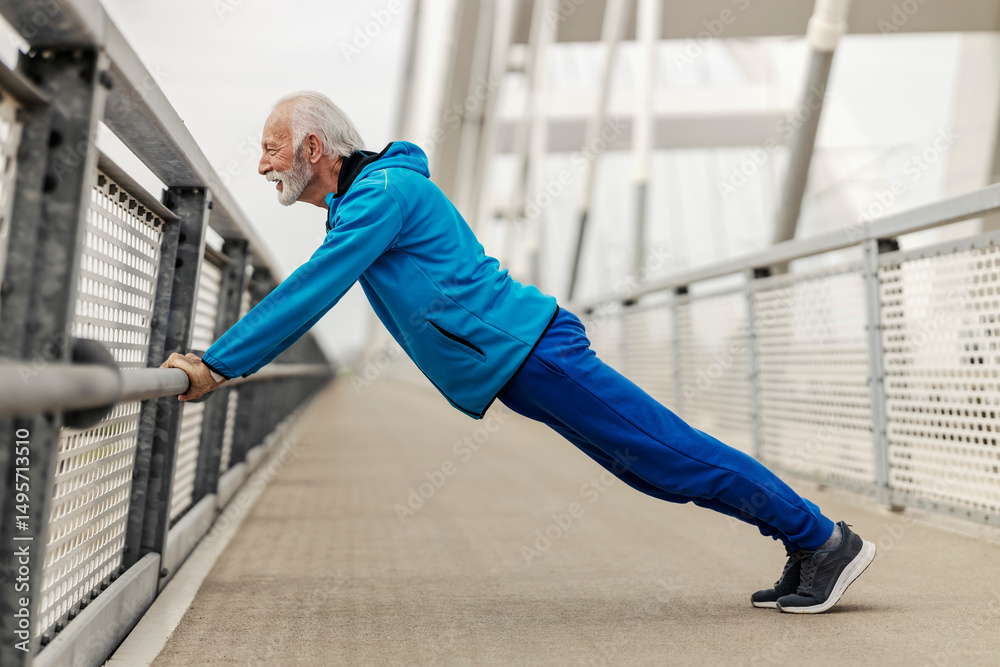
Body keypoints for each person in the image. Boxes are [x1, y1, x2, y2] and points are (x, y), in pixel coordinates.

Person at [161, 91, 875, 614]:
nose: (261, 163)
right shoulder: (367, 200)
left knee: (670, 455)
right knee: (658, 467)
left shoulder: (380, 194)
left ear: (314, 149)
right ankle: (806, 541)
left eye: (270, 146)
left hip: (535, 352)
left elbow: (311, 291)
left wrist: (216, 362)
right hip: (525, 360)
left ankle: (821, 540)